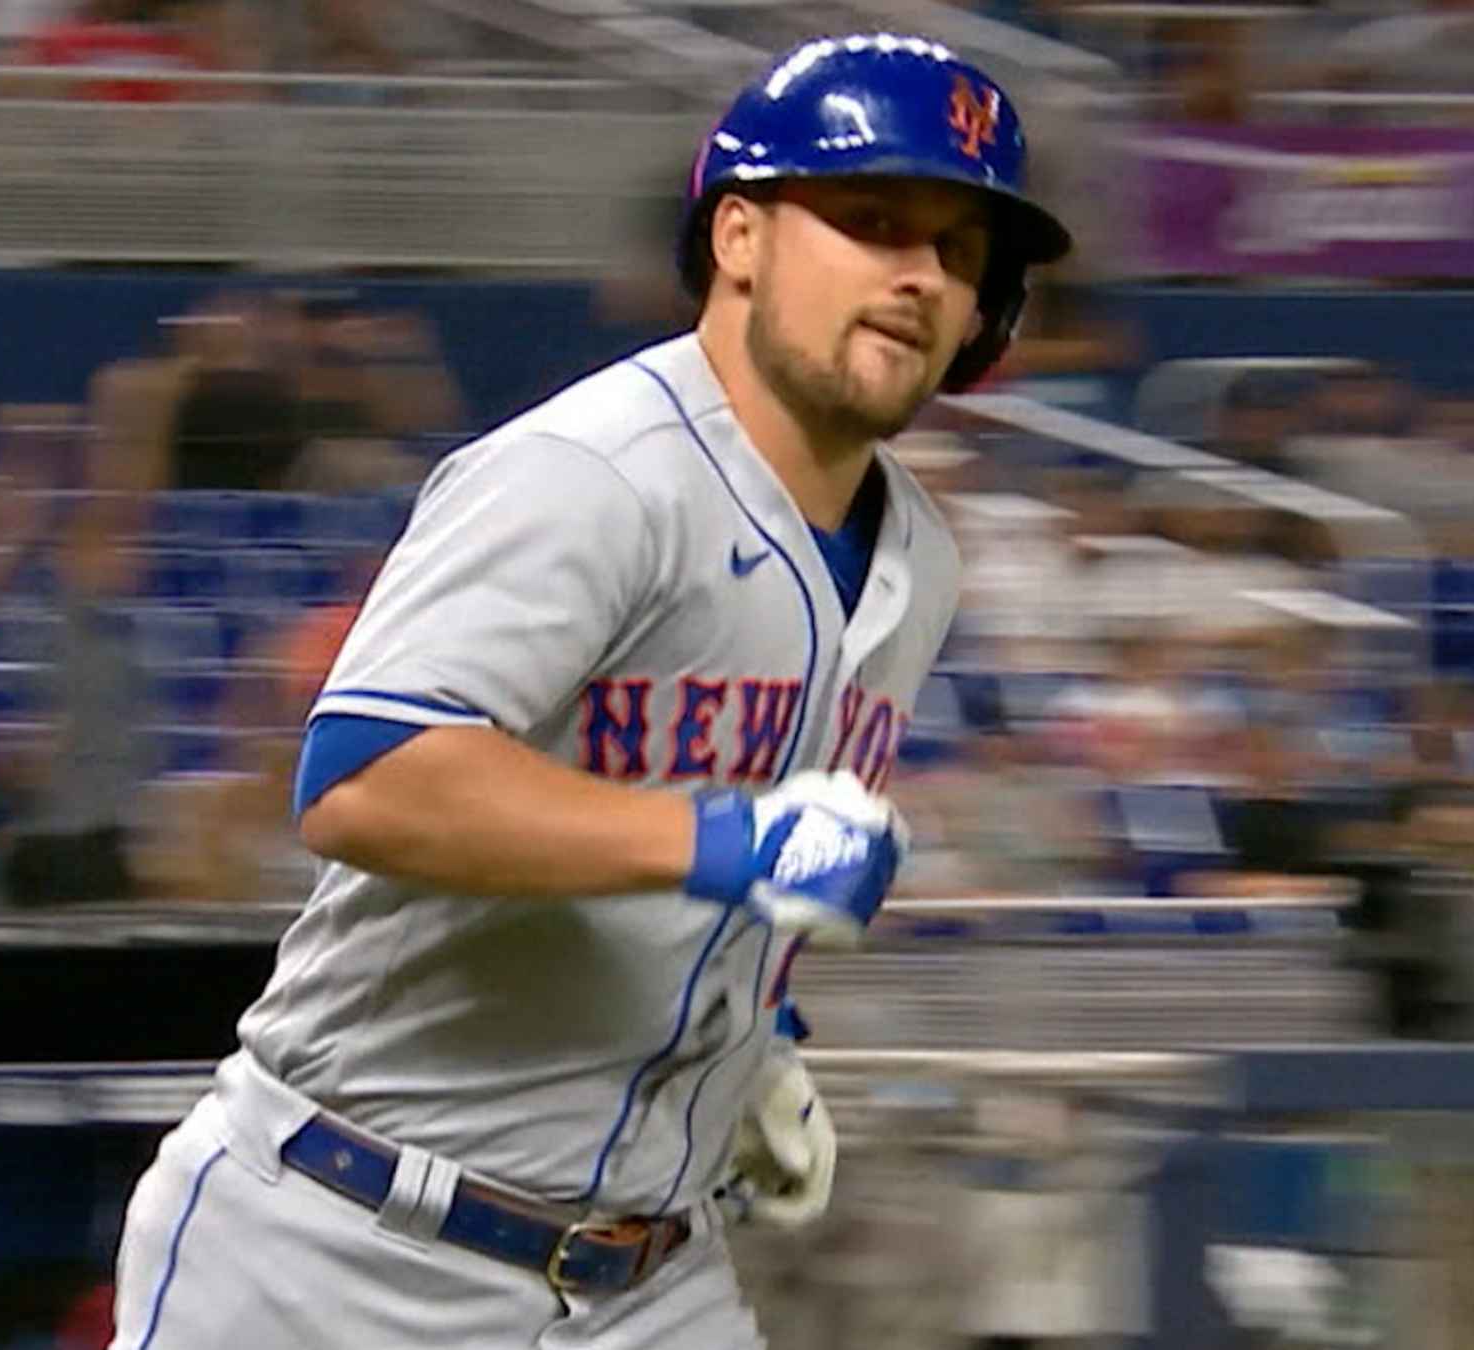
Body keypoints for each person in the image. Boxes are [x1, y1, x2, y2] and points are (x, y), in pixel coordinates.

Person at [104, 32, 1071, 1350]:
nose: (920, 273)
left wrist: (756, 1033)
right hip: (343, 1241)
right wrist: (723, 843)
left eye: (961, 253)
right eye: (871, 219)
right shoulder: (590, 471)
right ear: (739, 237)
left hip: (648, 1280)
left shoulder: (922, 564)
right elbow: (366, 779)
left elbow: (736, 865)